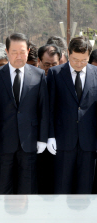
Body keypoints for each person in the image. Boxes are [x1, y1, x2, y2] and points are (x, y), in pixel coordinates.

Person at [0, 33, 49, 194]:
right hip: (3, 141)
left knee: (27, 188)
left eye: (22, 51)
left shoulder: (38, 75)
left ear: (28, 51)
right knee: (3, 186)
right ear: (7, 52)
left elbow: (43, 109)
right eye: (14, 52)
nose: (18, 56)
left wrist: (42, 138)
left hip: (29, 142)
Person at [46, 36, 97, 194]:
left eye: (84, 60)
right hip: (63, 141)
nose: (79, 64)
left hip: (89, 142)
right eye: (75, 59)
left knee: (86, 188)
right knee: (62, 187)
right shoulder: (55, 73)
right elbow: (50, 108)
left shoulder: (96, 73)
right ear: (68, 53)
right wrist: (50, 136)